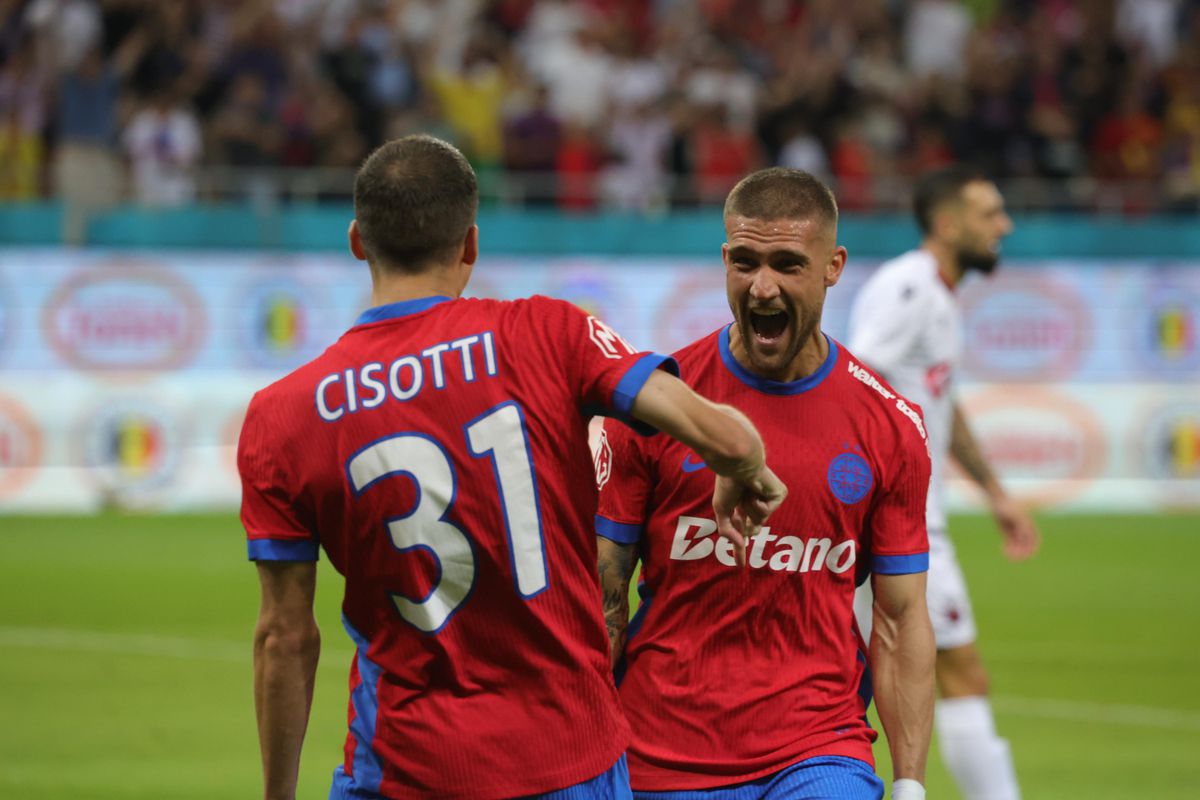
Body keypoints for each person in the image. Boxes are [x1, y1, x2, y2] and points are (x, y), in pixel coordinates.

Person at [238, 134, 786, 800]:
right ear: (471, 243)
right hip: (567, 760)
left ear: (357, 241)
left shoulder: (283, 414)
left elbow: (284, 638)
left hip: (405, 769)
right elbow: (720, 435)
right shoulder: (548, 333)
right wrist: (739, 461)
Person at [595, 167, 936, 800]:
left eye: (787, 264)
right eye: (746, 262)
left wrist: (910, 784)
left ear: (833, 266)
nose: (763, 287)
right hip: (656, 755)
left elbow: (900, 618)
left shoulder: (891, 425)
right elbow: (603, 603)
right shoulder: (657, 408)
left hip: (817, 750)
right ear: (725, 259)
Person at [847, 165, 1041, 800]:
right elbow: (853, 380)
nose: (1003, 226)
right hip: (897, 525)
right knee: (956, 673)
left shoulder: (940, 294)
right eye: (991, 213)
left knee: (891, 678)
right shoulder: (909, 288)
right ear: (949, 222)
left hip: (911, 521)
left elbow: (943, 409)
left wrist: (996, 493)